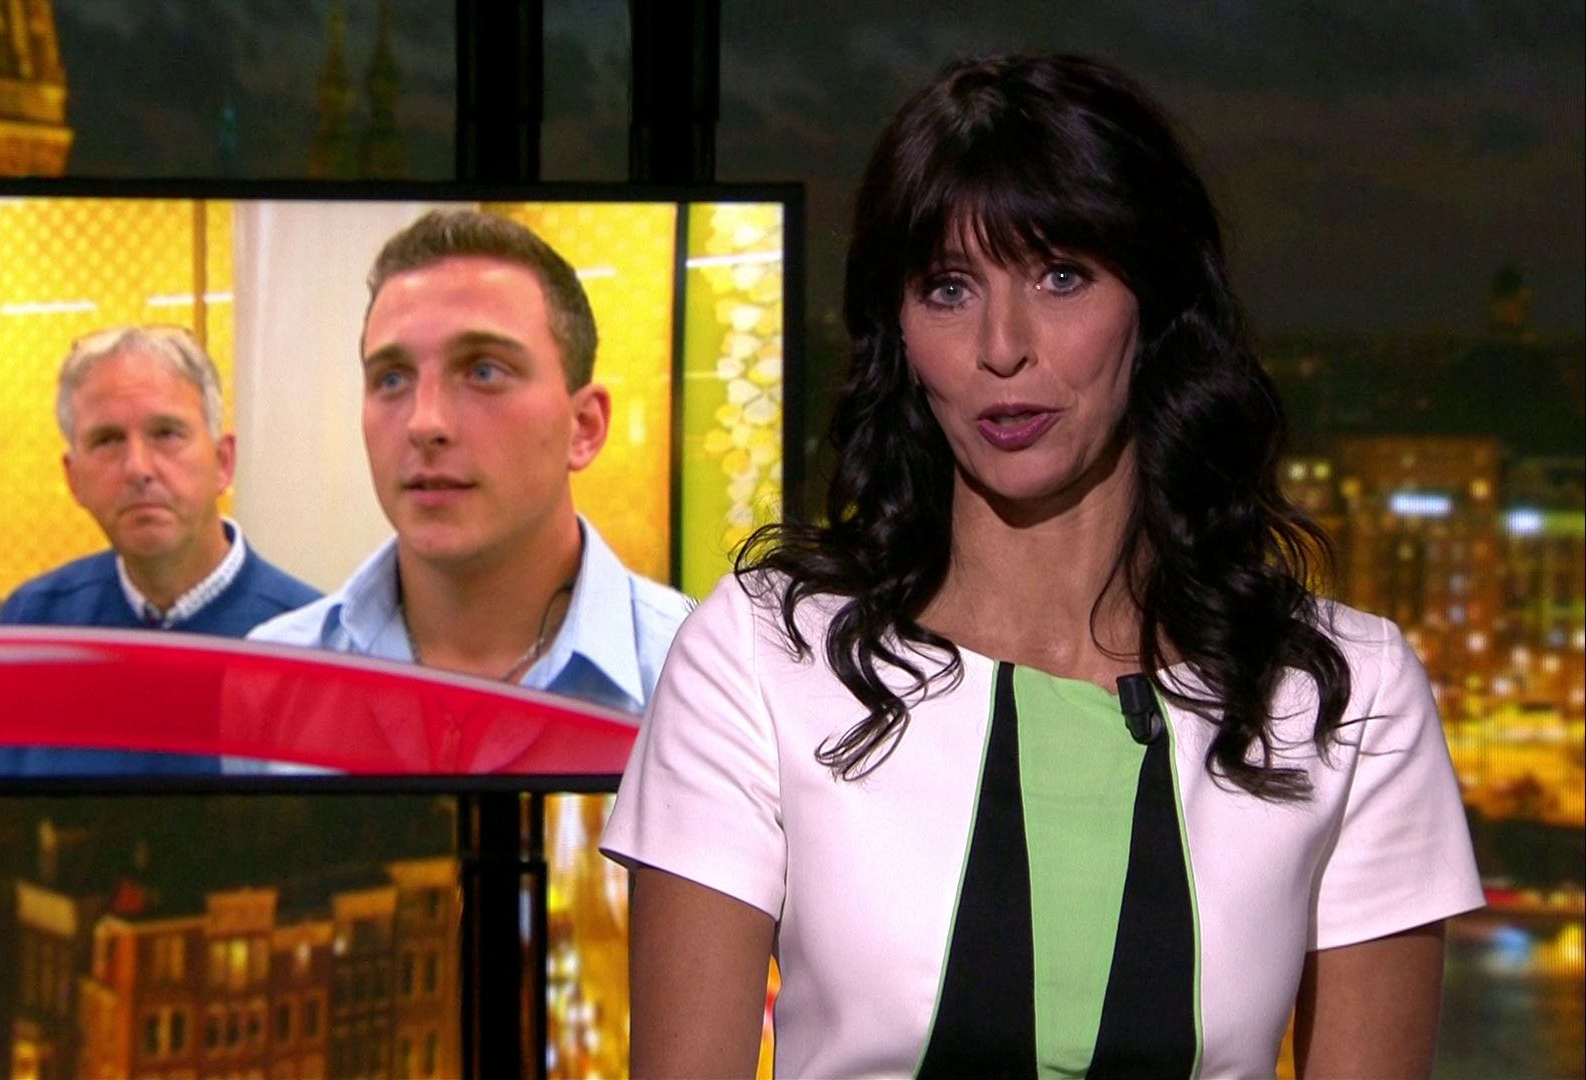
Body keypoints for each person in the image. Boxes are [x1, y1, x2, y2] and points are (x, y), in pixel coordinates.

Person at [601, 54, 1484, 1080]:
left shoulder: (1342, 693)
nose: (1002, 347)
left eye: (1062, 276)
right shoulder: (760, 659)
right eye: (948, 289)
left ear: (1154, 304)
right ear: (899, 332)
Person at [250, 210, 691, 723]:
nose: (424, 423)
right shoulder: (276, 676)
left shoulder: (710, 680)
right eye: (392, 379)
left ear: (584, 427)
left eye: (484, 371)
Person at [0, 325, 320, 777]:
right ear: (73, 478)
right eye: (107, 441)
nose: (138, 468)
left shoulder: (312, 644)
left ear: (223, 462)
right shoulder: (29, 628)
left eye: (166, 433)